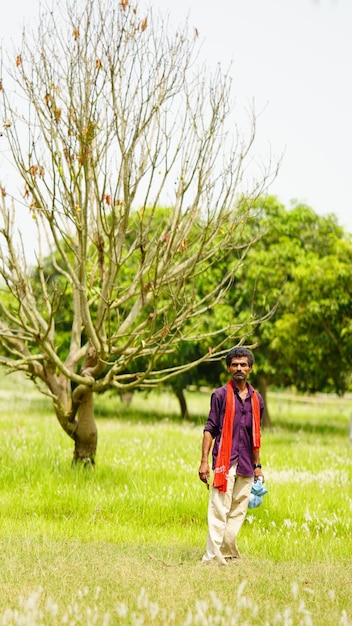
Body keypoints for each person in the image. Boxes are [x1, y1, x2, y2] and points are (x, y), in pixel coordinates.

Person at [198, 346, 265, 565]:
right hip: (224, 463)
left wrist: (258, 466)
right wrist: (204, 462)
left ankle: (226, 553)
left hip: (246, 463)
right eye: (235, 364)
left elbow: (255, 434)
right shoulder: (219, 395)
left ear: (250, 368)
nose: (239, 368)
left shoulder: (257, 400)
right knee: (219, 510)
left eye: (243, 364)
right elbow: (210, 428)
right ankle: (211, 559)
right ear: (228, 368)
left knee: (238, 511)